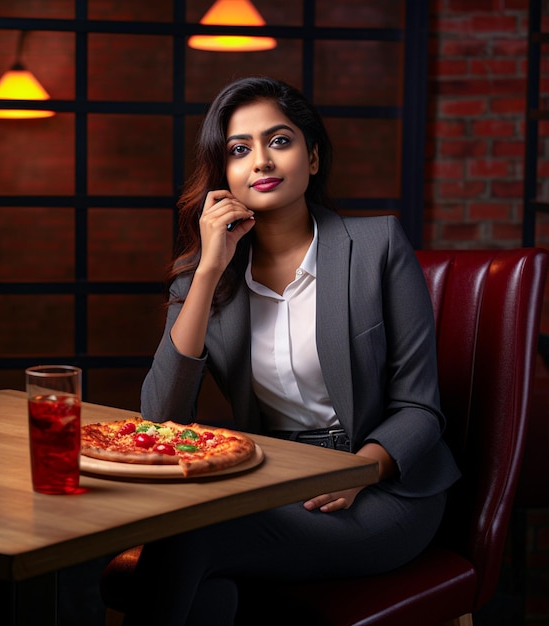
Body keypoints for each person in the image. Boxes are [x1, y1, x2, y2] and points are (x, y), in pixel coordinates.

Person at [127, 76, 461, 626]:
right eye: (239, 150)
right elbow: (161, 418)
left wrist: (359, 471)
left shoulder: (377, 246)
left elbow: (421, 408)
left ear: (312, 157)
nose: (261, 160)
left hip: (384, 489)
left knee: (191, 537)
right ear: (225, 174)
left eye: (279, 141)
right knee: (209, 584)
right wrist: (208, 271)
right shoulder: (205, 278)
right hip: (273, 480)